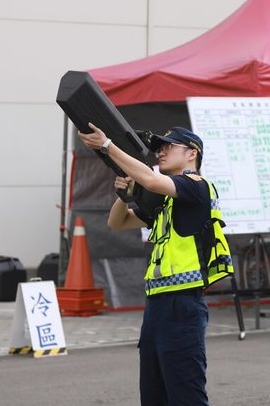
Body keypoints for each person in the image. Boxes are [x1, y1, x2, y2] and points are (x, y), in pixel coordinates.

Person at [78, 123, 233, 406]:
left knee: (186, 395)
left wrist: (107, 146)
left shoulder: (197, 186)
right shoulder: (166, 203)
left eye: (168, 146)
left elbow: (150, 181)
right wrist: (122, 197)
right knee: (154, 394)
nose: (160, 152)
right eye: (159, 147)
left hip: (183, 304)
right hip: (158, 305)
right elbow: (117, 222)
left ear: (192, 153)